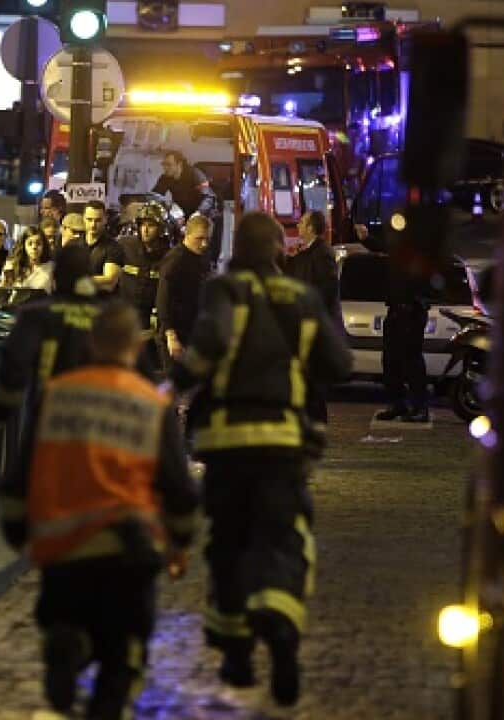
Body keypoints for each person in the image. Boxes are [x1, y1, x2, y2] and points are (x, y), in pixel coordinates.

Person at [171, 212, 352, 707]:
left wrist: (169, 383)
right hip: (284, 447)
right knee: (282, 537)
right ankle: (282, 629)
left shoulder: (226, 291)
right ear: (276, 249)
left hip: (229, 446)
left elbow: (204, 355)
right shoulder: (302, 298)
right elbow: (339, 365)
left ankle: (236, 652)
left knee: (228, 543)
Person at [0, 301, 199, 720]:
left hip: (62, 548)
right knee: (122, 655)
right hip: (126, 549)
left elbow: (22, 470)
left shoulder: (57, 393)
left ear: (92, 342)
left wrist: (18, 529)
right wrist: (180, 541)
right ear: (133, 346)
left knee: (61, 614)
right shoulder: (150, 403)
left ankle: (65, 644)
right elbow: (178, 488)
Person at [0, 245, 101, 422]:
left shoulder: (36, 315)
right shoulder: (112, 318)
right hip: (100, 423)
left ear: (55, 277)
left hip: (49, 421)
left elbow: (15, 365)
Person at [282, 210, 348, 432]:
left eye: (302, 222)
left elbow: (327, 287)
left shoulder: (322, 253)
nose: (298, 225)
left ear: (311, 228)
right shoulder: (308, 253)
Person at [375, 248, 431, 423]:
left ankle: (419, 407)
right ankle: (397, 404)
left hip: (412, 311)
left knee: (412, 361)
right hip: (395, 310)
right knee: (390, 360)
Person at [118, 203, 172, 370]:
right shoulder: (125, 246)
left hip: (152, 323)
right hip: (125, 316)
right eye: (142, 225)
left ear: (161, 228)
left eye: (151, 225)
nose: (145, 230)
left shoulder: (169, 255)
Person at [156, 213, 213, 364]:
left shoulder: (203, 257)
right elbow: (163, 298)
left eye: (207, 239)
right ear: (186, 235)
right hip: (176, 334)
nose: (204, 244)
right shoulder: (175, 259)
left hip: (194, 333)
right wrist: (171, 336)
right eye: (199, 239)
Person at [83, 200, 122, 296]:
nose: (93, 224)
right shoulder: (74, 244)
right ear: (83, 218)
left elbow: (109, 282)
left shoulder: (113, 247)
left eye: (97, 220)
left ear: (105, 219)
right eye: (89, 219)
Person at [1, 226, 54, 291]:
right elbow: (3, 290)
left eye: (38, 243)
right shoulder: (12, 265)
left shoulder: (51, 267)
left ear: (44, 246)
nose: (34, 247)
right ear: (23, 246)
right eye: (30, 244)